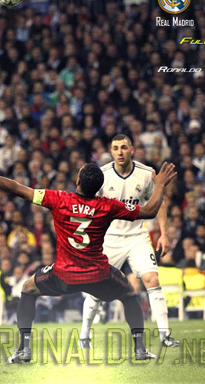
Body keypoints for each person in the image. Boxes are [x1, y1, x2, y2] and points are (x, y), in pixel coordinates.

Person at [0, 161, 177, 363]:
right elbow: (149, 211)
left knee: (28, 289)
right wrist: (159, 186)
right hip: (98, 276)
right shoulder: (108, 205)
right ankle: (140, 349)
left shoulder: (58, 198)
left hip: (63, 275)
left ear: (77, 180)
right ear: (99, 187)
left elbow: (17, 188)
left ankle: (24, 349)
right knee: (130, 295)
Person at [79, 134, 179, 348]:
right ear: (111, 151)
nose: (120, 152)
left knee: (152, 279)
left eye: (124, 147)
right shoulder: (102, 175)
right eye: (116, 148)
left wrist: (163, 232)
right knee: (96, 287)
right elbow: (89, 206)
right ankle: (84, 336)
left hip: (137, 237)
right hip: (110, 239)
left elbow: (159, 202)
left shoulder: (146, 174)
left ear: (132, 150)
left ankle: (165, 336)